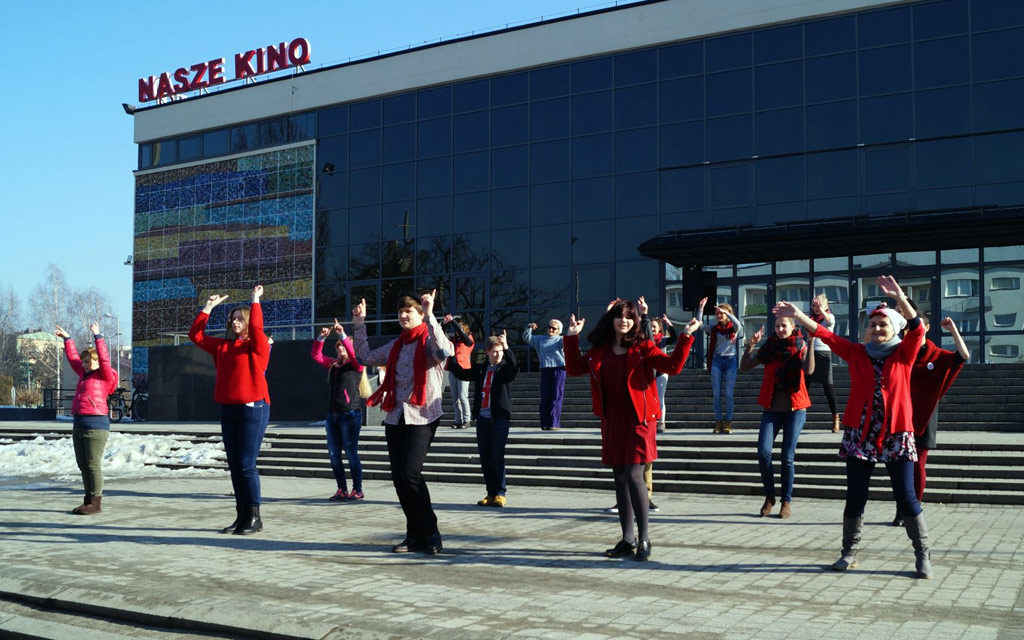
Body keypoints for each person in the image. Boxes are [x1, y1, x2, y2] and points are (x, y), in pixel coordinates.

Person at [777, 275, 934, 579]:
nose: (876, 329)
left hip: (897, 434)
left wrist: (900, 296)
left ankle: (922, 553)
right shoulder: (857, 353)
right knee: (856, 495)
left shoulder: (905, 352)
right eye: (872, 325)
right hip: (860, 435)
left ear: (893, 329)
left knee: (906, 496)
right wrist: (796, 315)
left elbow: (916, 328)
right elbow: (826, 334)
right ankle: (849, 552)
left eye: (882, 325)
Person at [564, 298, 700, 562]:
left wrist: (685, 337)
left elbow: (673, 366)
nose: (623, 320)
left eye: (629, 316)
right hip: (612, 420)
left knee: (634, 474)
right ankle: (627, 539)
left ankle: (645, 538)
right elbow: (573, 368)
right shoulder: (599, 350)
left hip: (640, 420)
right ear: (611, 321)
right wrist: (571, 338)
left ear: (635, 321)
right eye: (619, 316)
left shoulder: (644, 347)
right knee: (619, 476)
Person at [353, 290, 453, 555]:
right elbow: (365, 356)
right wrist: (360, 324)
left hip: (423, 416)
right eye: (400, 312)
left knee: (410, 474)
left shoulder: (429, 340)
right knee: (400, 479)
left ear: (420, 314)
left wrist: (432, 316)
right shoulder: (397, 344)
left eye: (409, 311)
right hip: (396, 416)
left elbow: (445, 350)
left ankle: (431, 532)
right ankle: (413, 534)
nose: (403, 315)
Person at [189, 285, 271, 535]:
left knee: (247, 464)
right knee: (235, 465)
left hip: (253, 408)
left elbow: (257, 329)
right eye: (232, 318)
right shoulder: (223, 346)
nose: (234, 321)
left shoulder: (257, 346)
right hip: (229, 408)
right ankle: (241, 515)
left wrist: (255, 300)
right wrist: (208, 308)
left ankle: (255, 518)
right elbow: (196, 336)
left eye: (239, 318)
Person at [891, 314, 968, 527]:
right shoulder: (903, 353)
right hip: (902, 416)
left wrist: (953, 331)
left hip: (925, 417)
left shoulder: (937, 355)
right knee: (899, 467)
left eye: (915, 327)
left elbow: (963, 356)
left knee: (918, 466)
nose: (910, 330)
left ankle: (914, 508)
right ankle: (901, 509)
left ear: (926, 327)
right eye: (906, 327)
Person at [740, 314, 814, 519]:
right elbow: (745, 367)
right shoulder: (769, 348)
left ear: (792, 327)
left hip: (795, 408)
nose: (781, 329)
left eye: (784, 326)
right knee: (763, 452)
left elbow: (809, 370)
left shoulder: (800, 346)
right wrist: (750, 346)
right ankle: (770, 496)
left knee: (787, 457)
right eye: (778, 326)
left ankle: (786, 501)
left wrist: (811, 342)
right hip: (771, 408)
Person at [449, 330, 519, 507]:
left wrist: (507, 348)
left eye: (500, 351)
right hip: (483, 419)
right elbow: (461, 373)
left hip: (500, 418)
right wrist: (451, 356)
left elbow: (514, 369)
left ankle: (500, 493)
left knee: (497, 455)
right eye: (494, 351)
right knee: (485, 457)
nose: (497, 354)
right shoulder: (481, 369)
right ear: (487, 352)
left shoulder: (504, 368)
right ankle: (490, 493)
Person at [56, 322, 118, 515]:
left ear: (97, 361)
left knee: (93, 464)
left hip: (96, 426)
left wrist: (98, 336)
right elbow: (73, 358)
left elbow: (106, 361)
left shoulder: (105, 376)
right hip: (79, 423)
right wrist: (67, 339)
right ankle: (88, 500)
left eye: (88, 361)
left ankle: (96, 503)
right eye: (84, 362)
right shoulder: (84, 374)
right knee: (83, 465)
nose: (84, 364)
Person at [311, 319, 370, 502]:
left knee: (351, 452)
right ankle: (342, 489)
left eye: (342, 346)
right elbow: (316, 356)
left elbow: (353, 354)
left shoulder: (356, 365)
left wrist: (343, 335)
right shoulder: (335, 365)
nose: (340, 349)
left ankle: (357, 490)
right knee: (333, 454)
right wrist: (321, 338)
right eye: (338, 346)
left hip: (350, 414)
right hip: (333, 415)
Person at [696, 298, 743, 434]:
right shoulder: (714, 329)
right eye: (717, 313)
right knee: (717, 394)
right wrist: (700, 308)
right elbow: (699, 325)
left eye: (721, 313)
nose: (719, 315)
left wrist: (727, 313)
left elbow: (738, 324)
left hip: (730, 361)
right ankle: (718, 422)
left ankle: (728, 422)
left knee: (728, 394)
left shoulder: (733, 328)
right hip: (716, 360)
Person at [807, 294, 842, 432]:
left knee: (828, 387)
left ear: (826, 306)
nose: (816, 308)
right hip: (810, 353)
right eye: (814, 305)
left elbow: (828, 320)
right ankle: (795, 415)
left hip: (824, 353)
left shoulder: (830, 317)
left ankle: (835, 418)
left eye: (820, 305)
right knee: (805, 384)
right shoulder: (811, 319)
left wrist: (821, 310)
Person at [523, 318, 566, 431]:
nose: (551, 329)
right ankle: (545, 423)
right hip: (545, 369)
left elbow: (571, 341)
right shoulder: (540, 339)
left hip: (559, 369)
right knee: (545, 397)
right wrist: (529, 327)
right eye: (549, 327)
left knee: (556, 396)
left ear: (558, 330)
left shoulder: (561, 340)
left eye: (554, 328)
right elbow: (527, 338)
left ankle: (554, 423)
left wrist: (573, 328)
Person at [443, 315, 475, 429]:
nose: (456, 333)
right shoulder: (453, 342)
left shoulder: (468, 340)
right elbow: (441, 334)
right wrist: (445, 323)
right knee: (455, 398)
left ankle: (467, 420)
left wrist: (453, 322)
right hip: (452, 371)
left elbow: (462, 334)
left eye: (459, 330)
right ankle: (458, 420)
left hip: (464, 370)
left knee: (463, 396)